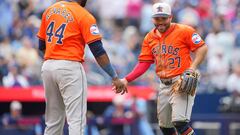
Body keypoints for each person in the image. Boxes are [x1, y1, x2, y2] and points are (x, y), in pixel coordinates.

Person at [116, 2, 208, 135]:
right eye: (157, 18)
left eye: (163, 18)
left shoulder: (184, 30)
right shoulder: (149, 37)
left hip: (181, 81)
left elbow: (202, 48)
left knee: (180, 122)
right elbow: (144, 63)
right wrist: (126, 79)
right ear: (152, 19)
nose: (160, 22)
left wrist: (193, 68)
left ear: (170, 17)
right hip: (163, 84)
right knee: (165, 127)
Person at [37, 0, 126, 135]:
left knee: (53, 121)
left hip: (48, 66)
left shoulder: (50, 10)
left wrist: (55, 58)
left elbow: (41, 45)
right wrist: (114, 76)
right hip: (69, 67)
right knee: (76, 120)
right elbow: (98, 51)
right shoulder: (84, 15)